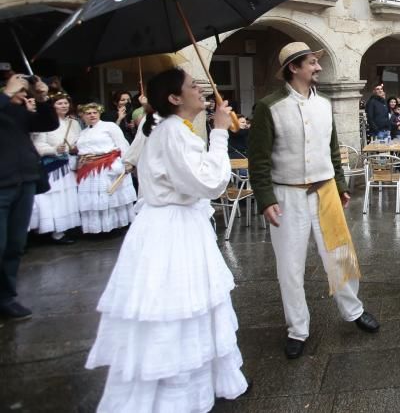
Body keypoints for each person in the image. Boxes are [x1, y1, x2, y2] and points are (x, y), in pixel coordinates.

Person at [85, 68, 249, 410]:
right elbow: (208, 183)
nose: (201, 90)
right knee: (176, 305)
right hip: (172, 231)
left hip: (176, 224)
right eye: (192, 86)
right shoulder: (172, 131)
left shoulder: (170, 128)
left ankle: (196, 383)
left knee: (191, 306)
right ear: (175, 98)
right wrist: (219, 132)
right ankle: (174, 393)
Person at [248, 42, 379, 360]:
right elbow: (259, 160)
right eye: (311, 63)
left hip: (325, 192)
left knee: (340, 256)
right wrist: (265, 199)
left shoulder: (324, 104)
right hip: (286, 195)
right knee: (289, 267)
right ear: (294, 68)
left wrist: (341, 183)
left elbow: (333, 150)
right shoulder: (269, 107)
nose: (318, 67)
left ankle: (354, 310)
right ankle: (297, 328)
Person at [1, 72, 58, 320]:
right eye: (19, 89)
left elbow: (48, 124)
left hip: (24, 182)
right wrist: (6, 94)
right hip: (2, 186)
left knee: (15, 244)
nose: (23, 93)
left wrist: (43, 98)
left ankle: (5, 297)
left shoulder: (17, 112)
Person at [76, 101, 137, 234]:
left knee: (110, 197)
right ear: (83, 116)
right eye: (88, 113)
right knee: (95, 200)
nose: (92, 115)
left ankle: (115, 227)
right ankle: (98, 228)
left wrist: (127, 162)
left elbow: (122, 144)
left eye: (94, 112)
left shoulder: (109, 126)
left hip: (107, 166)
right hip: (90, 169)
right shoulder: (83, 132)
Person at [30, 91, 81, 244]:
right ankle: (50, 231)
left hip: (69, 166)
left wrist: (75, 148)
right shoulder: (45, 123)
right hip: (53, 167)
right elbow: (37, 145)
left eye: (66, 103)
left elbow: (80, 141)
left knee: (67, 198)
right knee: (52, 199)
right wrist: (54, 150)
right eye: (59, 103)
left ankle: (62, 230)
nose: (64, 105)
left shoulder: (74, 123)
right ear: (53, 106)